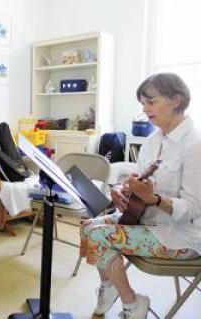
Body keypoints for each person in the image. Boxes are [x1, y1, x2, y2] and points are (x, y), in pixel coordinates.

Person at [79, 73, 201, 319]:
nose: (145, 110)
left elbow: (193, 209)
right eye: (143, 103)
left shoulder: (194, 145)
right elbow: (136, 180)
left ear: (176, 100)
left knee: (97, 234)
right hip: (146, 222)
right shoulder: (153, 140)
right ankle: (110, 288)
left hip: (181, 236)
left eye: (151, 102)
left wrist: (154, 199)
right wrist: (120, 190)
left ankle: (131, 303)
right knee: (87, 227)